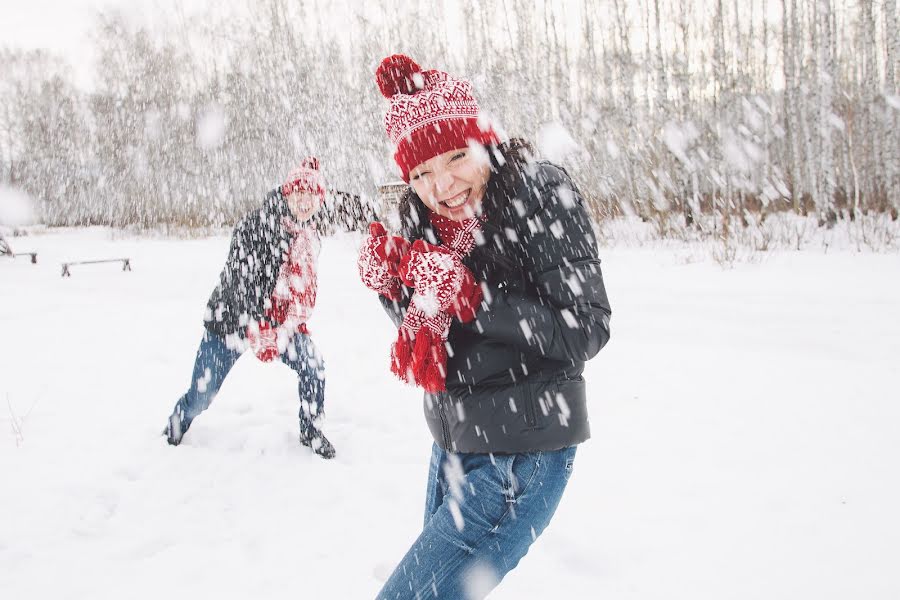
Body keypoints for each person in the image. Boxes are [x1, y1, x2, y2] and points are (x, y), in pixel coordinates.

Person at [358, 55, 612, 598]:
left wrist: (471, 297)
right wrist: (392, 284)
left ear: (483, 142)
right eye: (422, 172)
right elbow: (428, 329)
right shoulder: (422, 218)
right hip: (453, 442)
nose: (442, 184)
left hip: (524, 451)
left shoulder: (536, 193)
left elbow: (583, 329)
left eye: (454, 158)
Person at [164, 157, 336, 459]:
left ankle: (311, 429)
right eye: (299, 193)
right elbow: (237, 282)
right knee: (201, 396)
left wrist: (281, 331)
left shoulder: (308, 239)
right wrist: (255, 327)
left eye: (313, 196)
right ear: (287, 193)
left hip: (279, 325)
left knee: (313, 367)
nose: (305, 201)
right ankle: (174, 431)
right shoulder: (256, 224)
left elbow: (304, 296)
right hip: (232, 322)